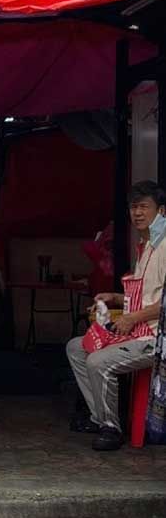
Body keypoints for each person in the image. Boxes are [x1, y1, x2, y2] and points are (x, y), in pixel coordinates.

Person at [67, 181, 166, 451]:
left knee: (99, 361)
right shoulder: (146, 247)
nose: (137, 213)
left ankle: (112, 428)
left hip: (157, 337)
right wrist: (114, 297)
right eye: (134, 207)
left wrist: (132, 318)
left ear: (162, 211)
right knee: (76, 348)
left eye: (144, 207)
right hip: (139, 330)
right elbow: (145, 296)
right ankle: (99, 418)